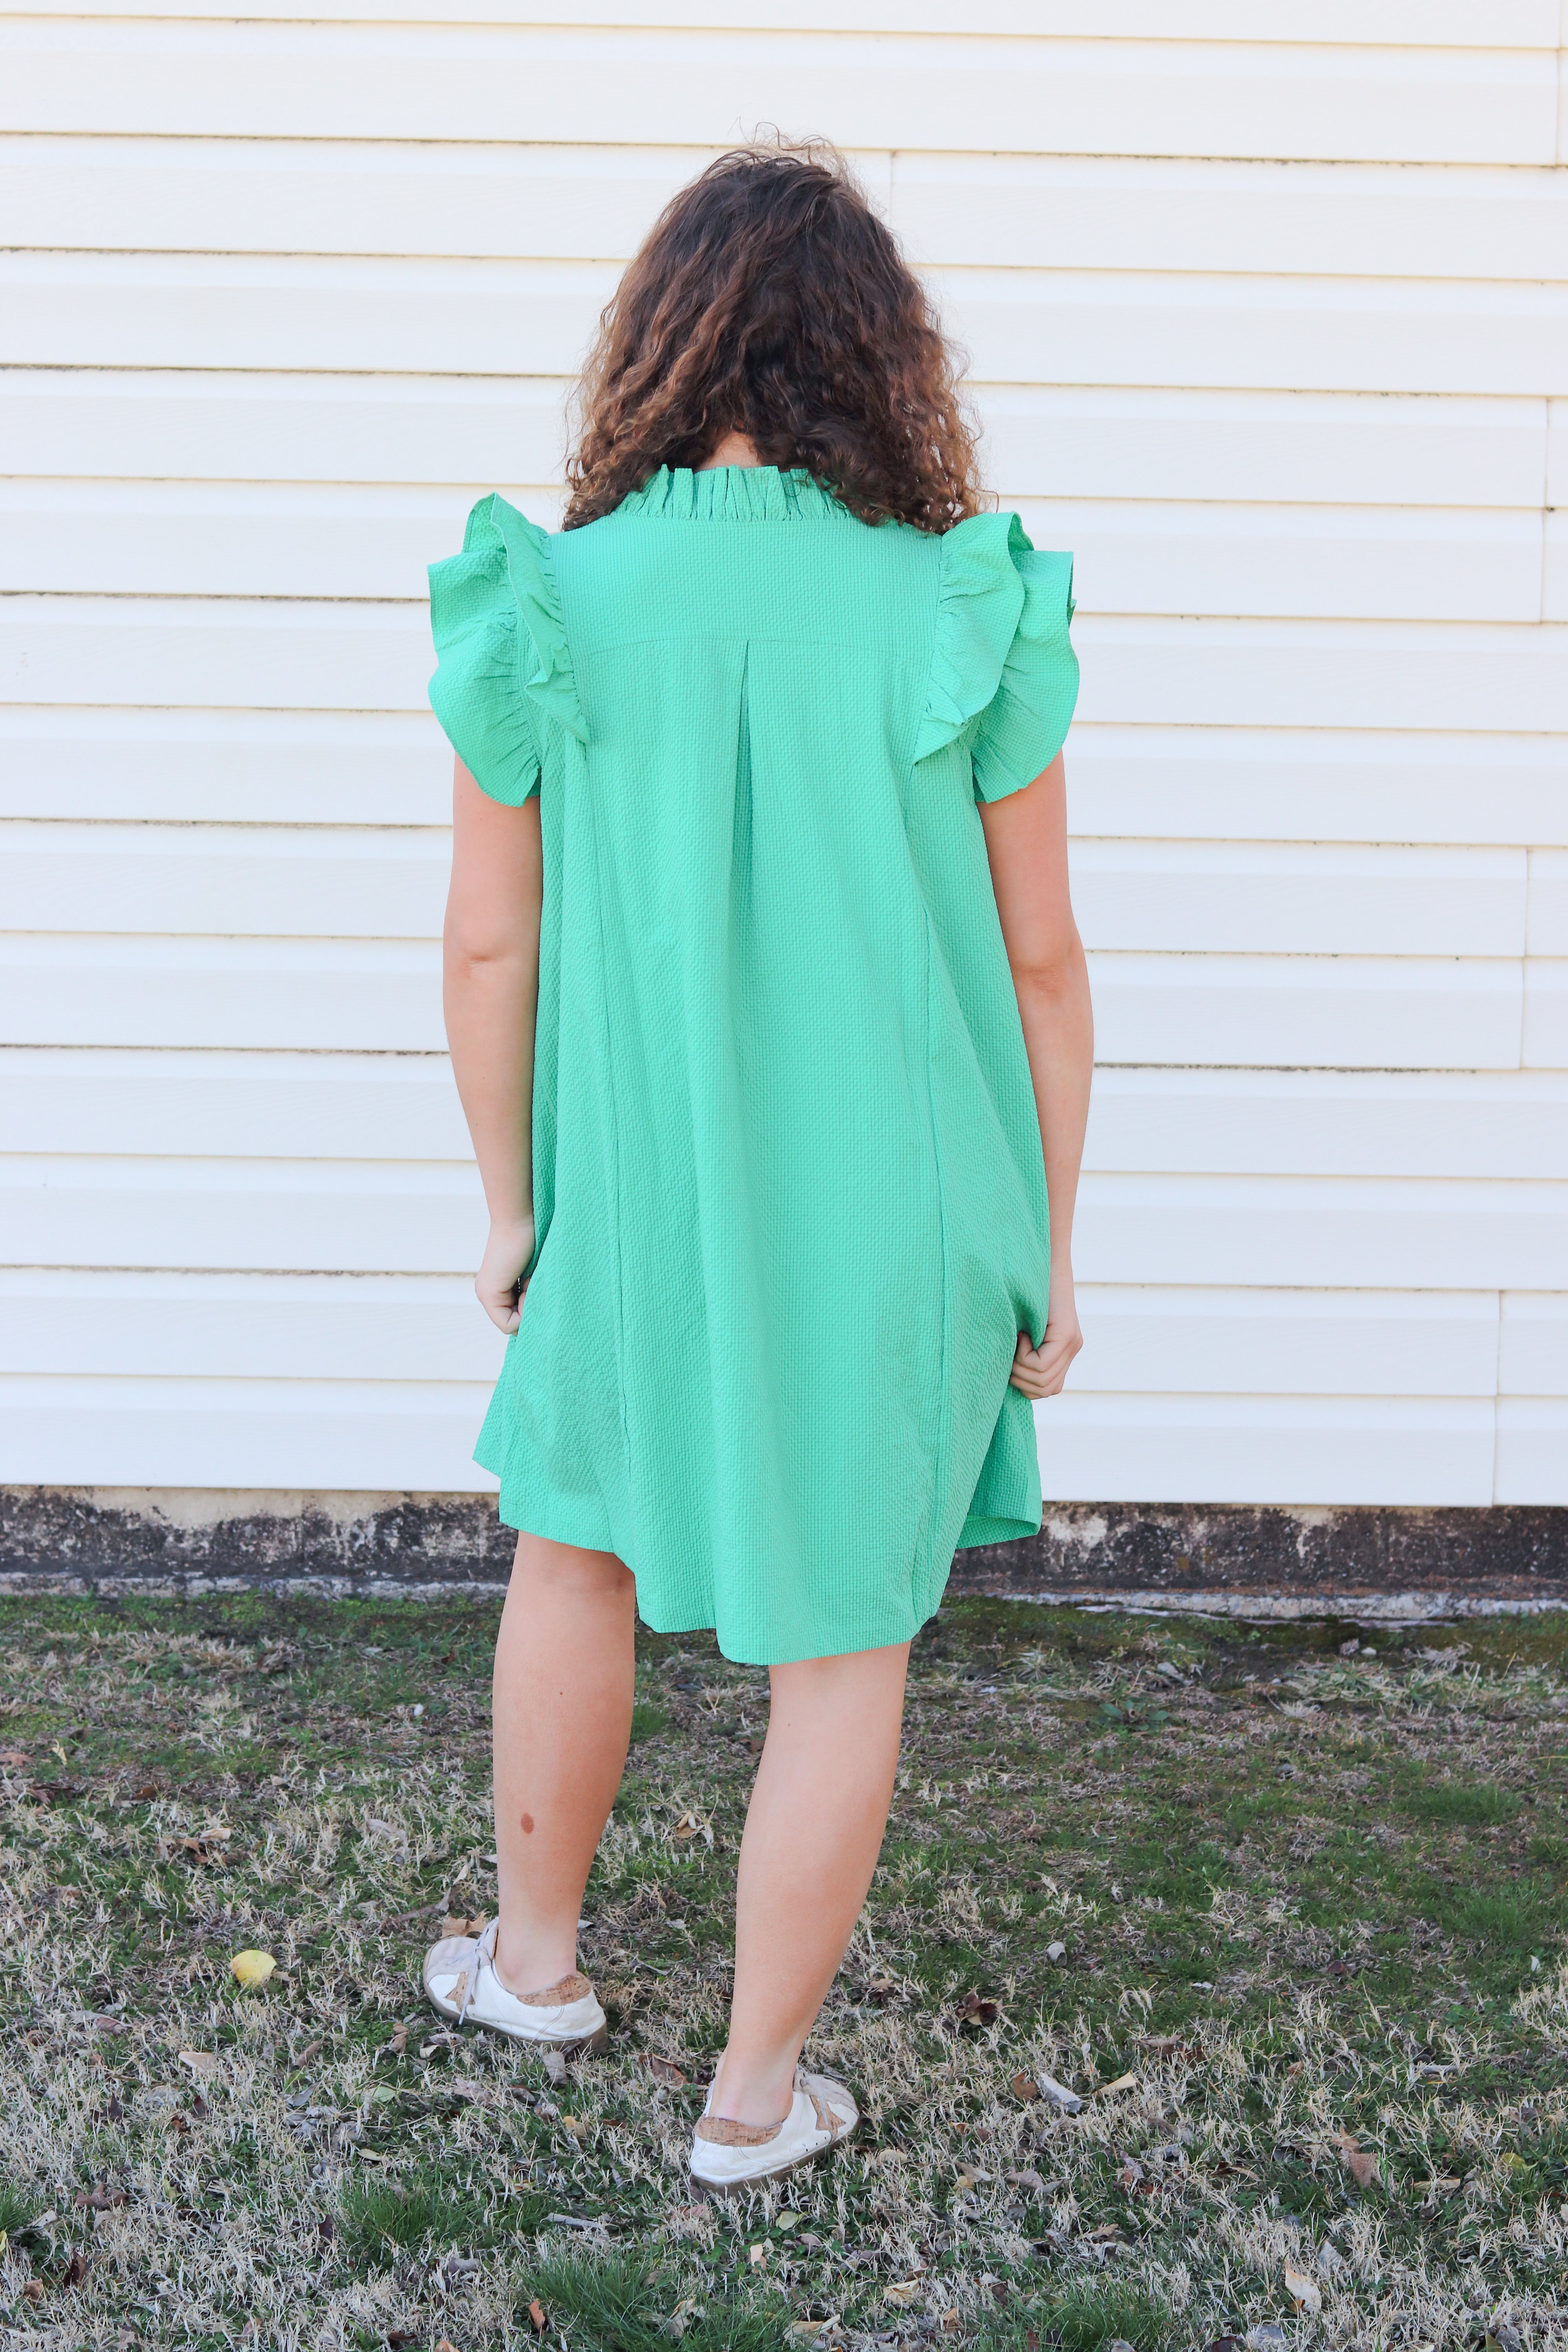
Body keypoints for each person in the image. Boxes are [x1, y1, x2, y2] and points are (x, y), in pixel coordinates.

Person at [418, 141, 1093, 2190]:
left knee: (577, 1546)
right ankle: (750, 2097)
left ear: (661, 343)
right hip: (898, 1211)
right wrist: (1049, 1250)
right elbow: (1043, 964)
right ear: (882, 363)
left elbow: (488, 945)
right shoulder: (957, 601)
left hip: (633, 1192)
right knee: (844, 1643)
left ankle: (534, 1966)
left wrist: (513, 1202)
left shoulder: (550, 598)